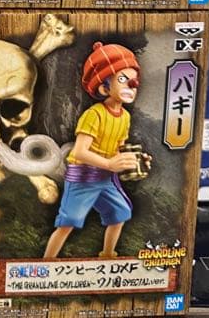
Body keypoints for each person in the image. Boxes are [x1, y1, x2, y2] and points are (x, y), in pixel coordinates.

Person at [44, 41, 149, 260]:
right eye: (123, 79)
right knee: (67, 223)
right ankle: (47, 262)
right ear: (104, 88)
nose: (132, 84)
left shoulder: (125, 117)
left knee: (120, 214)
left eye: (133, 80)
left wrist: (136, 160)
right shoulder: (94, 114)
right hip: (83, 178)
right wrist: (109, 163)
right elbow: (80, 152)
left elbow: (119, 148)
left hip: (106, 179)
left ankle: (108, 255)